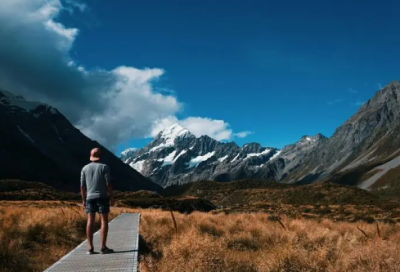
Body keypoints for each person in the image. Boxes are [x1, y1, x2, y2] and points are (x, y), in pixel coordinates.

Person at [80, 147, 115, 255]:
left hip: (89, 197)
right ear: (100, 156)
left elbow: (82, 186)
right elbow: (108, 183)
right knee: (104, 220)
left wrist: (83, 199)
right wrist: (112, 196)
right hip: (102, 197)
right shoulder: (104, 167)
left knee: (90, 220)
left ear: (91, 156)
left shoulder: (84, 168)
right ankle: (103, 247)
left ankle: (90, 247)